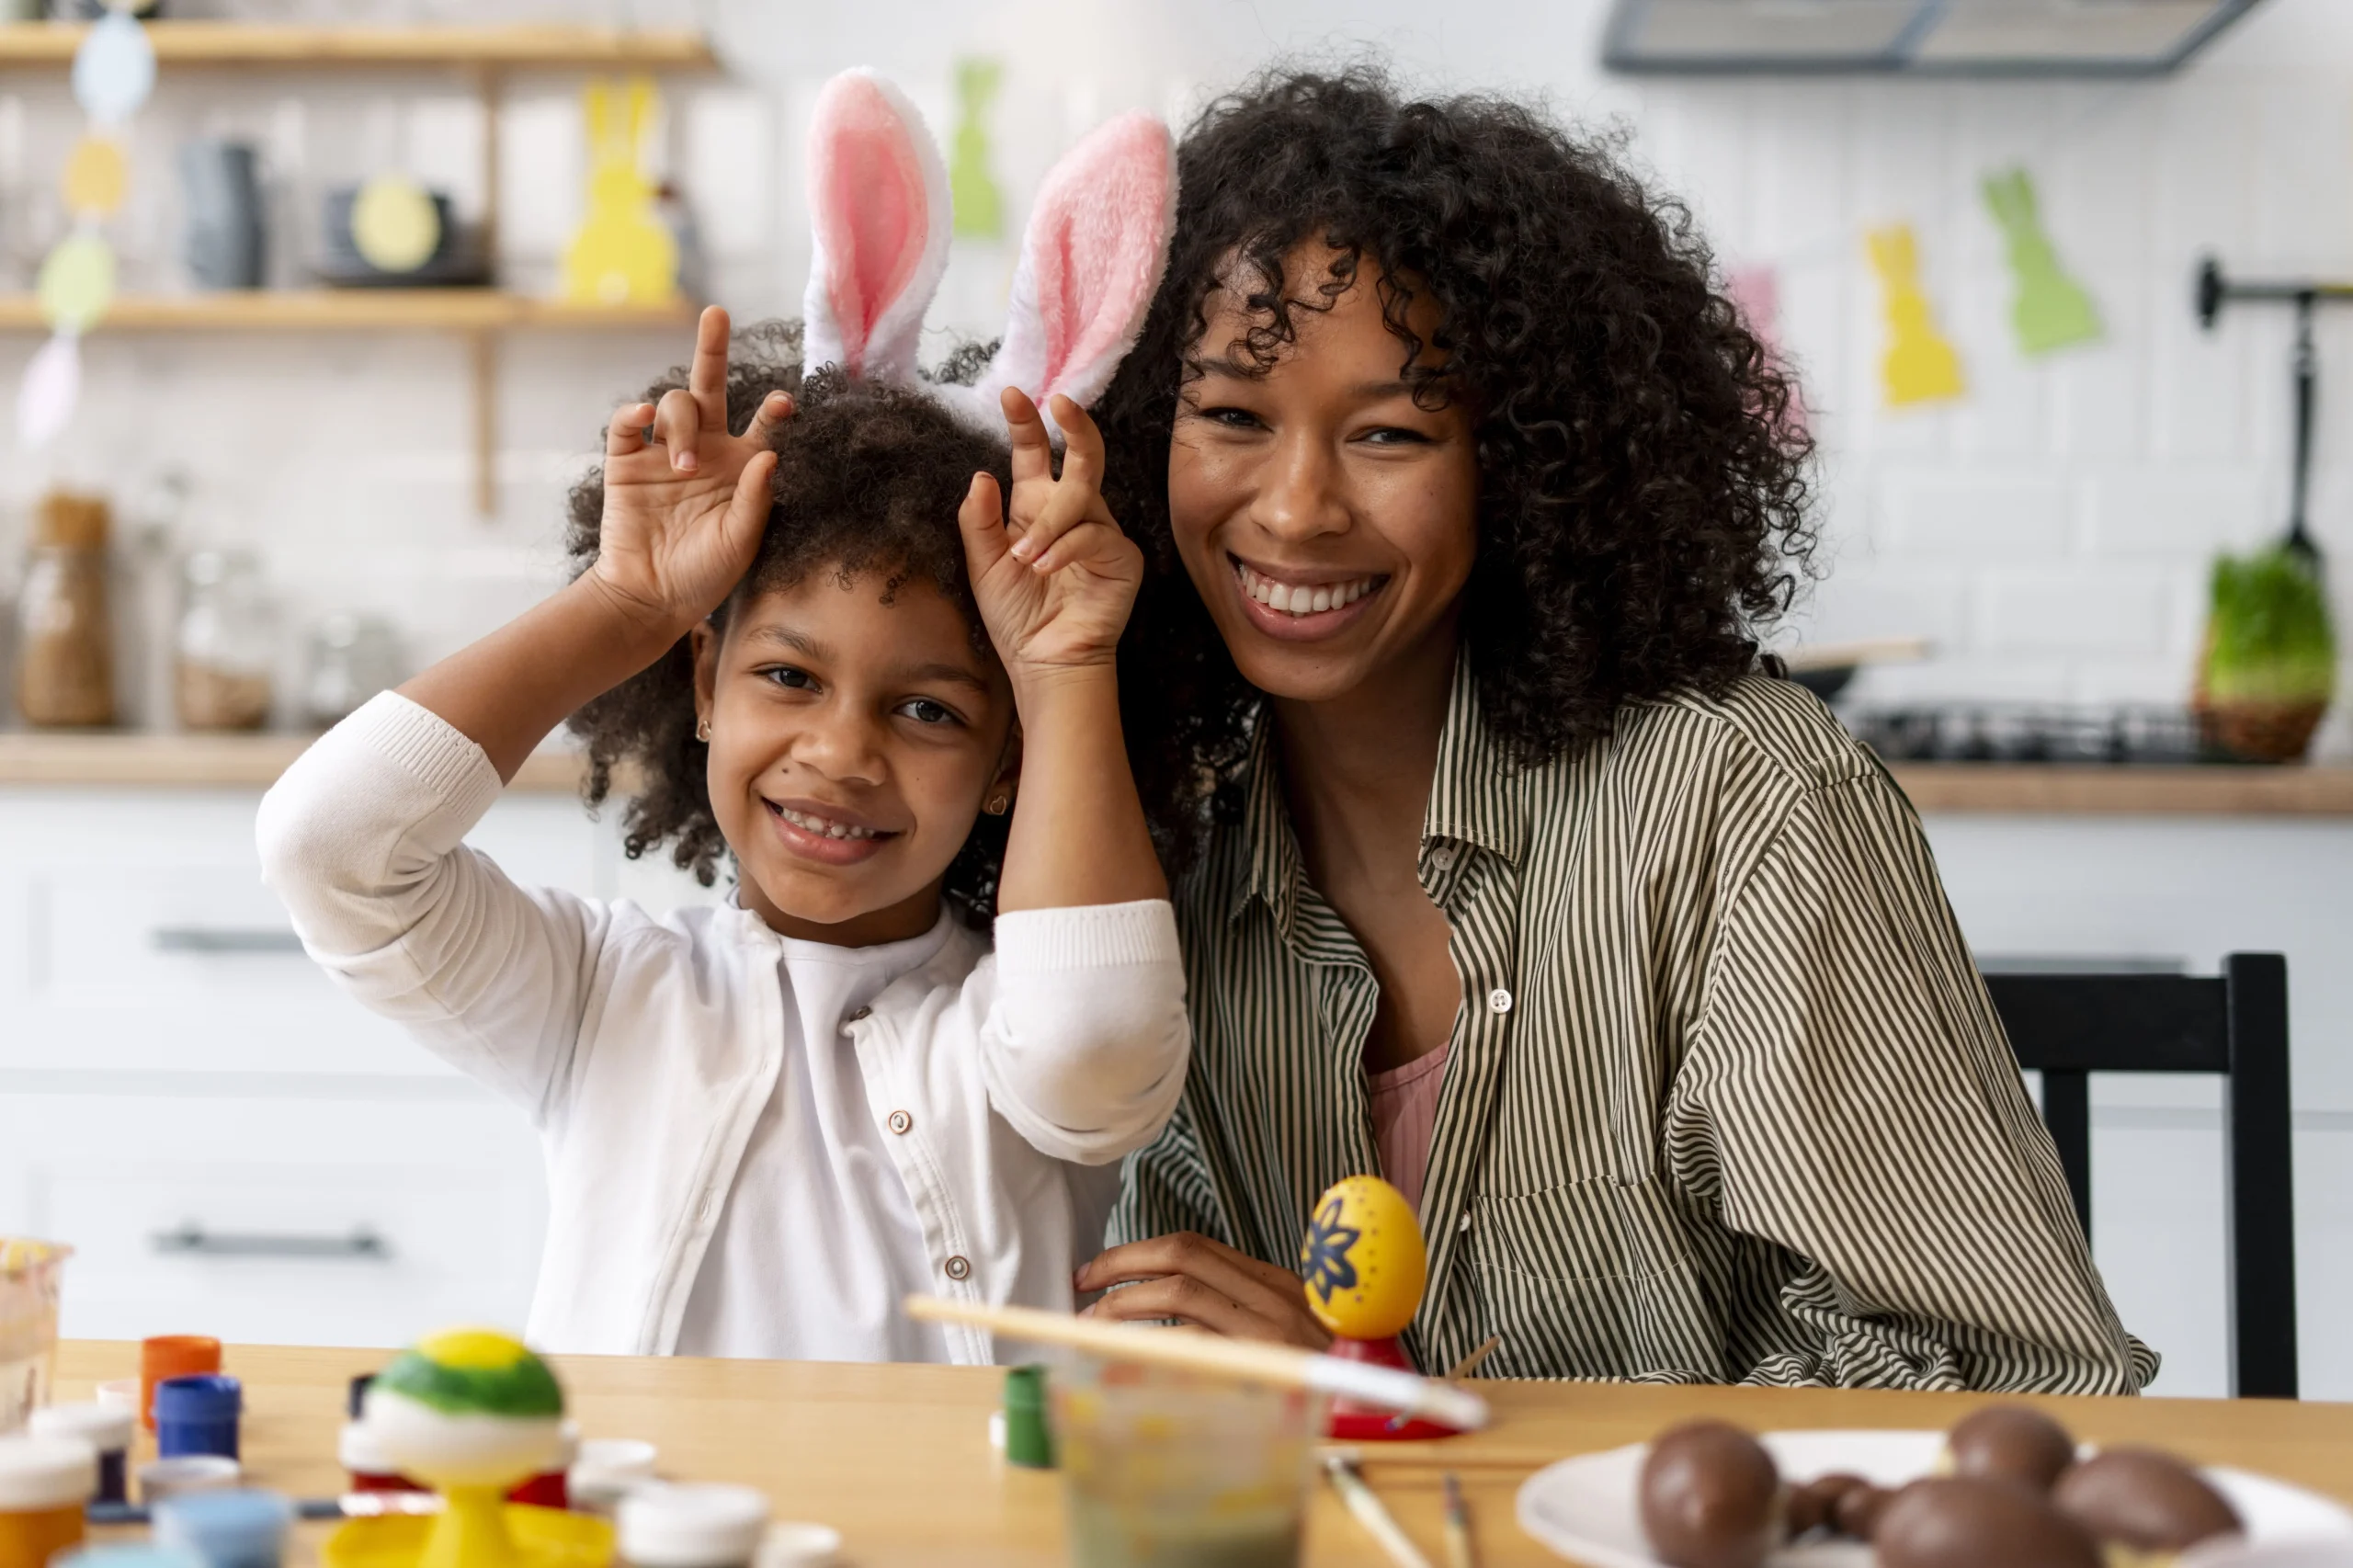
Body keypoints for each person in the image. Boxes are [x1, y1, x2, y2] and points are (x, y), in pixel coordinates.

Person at [1076, 69, 2153, 1392]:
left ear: (1526, 465)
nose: (1296, 510)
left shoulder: (1744, 805)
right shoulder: (1156, 839)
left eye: (1392, 432)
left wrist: (1406, 1403)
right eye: (1234, 415)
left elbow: (2005, 1367)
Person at [257, 304, 1185, 1359]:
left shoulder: (1012, 1030)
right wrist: (622, 604)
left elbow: (1092, 1038)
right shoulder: (600, 992)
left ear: (1012, 760)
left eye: (929, 708)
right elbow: (329, 847)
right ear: (704, 680)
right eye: (788, 676)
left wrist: (1063, 670)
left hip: (950, 1532)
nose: (839, 753)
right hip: (628, 1528)